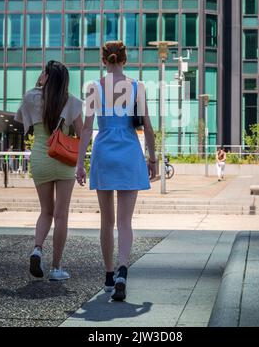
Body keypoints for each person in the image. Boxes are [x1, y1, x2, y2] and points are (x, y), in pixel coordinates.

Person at [76, 41, 156, 302]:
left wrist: (79, 162)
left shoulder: (93, 87)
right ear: (125, 59)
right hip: (129, 153)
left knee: (106, 222)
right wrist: (152, 157)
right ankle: (123, 269)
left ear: (103, 59)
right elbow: (147, 126)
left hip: (104, 153)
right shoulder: (137, 87)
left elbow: (87, 128)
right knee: (125, 222)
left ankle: (109, 275)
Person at [15, 61, 83, 281]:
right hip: (63, 159)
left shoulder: (31, 97)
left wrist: (38, 86)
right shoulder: (72, 102)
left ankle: (37, 249)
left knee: (46, 211)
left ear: (46, 76)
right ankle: (56, 268)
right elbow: (82, 135)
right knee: (61, 215)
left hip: (40, 158)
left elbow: (19, 120)